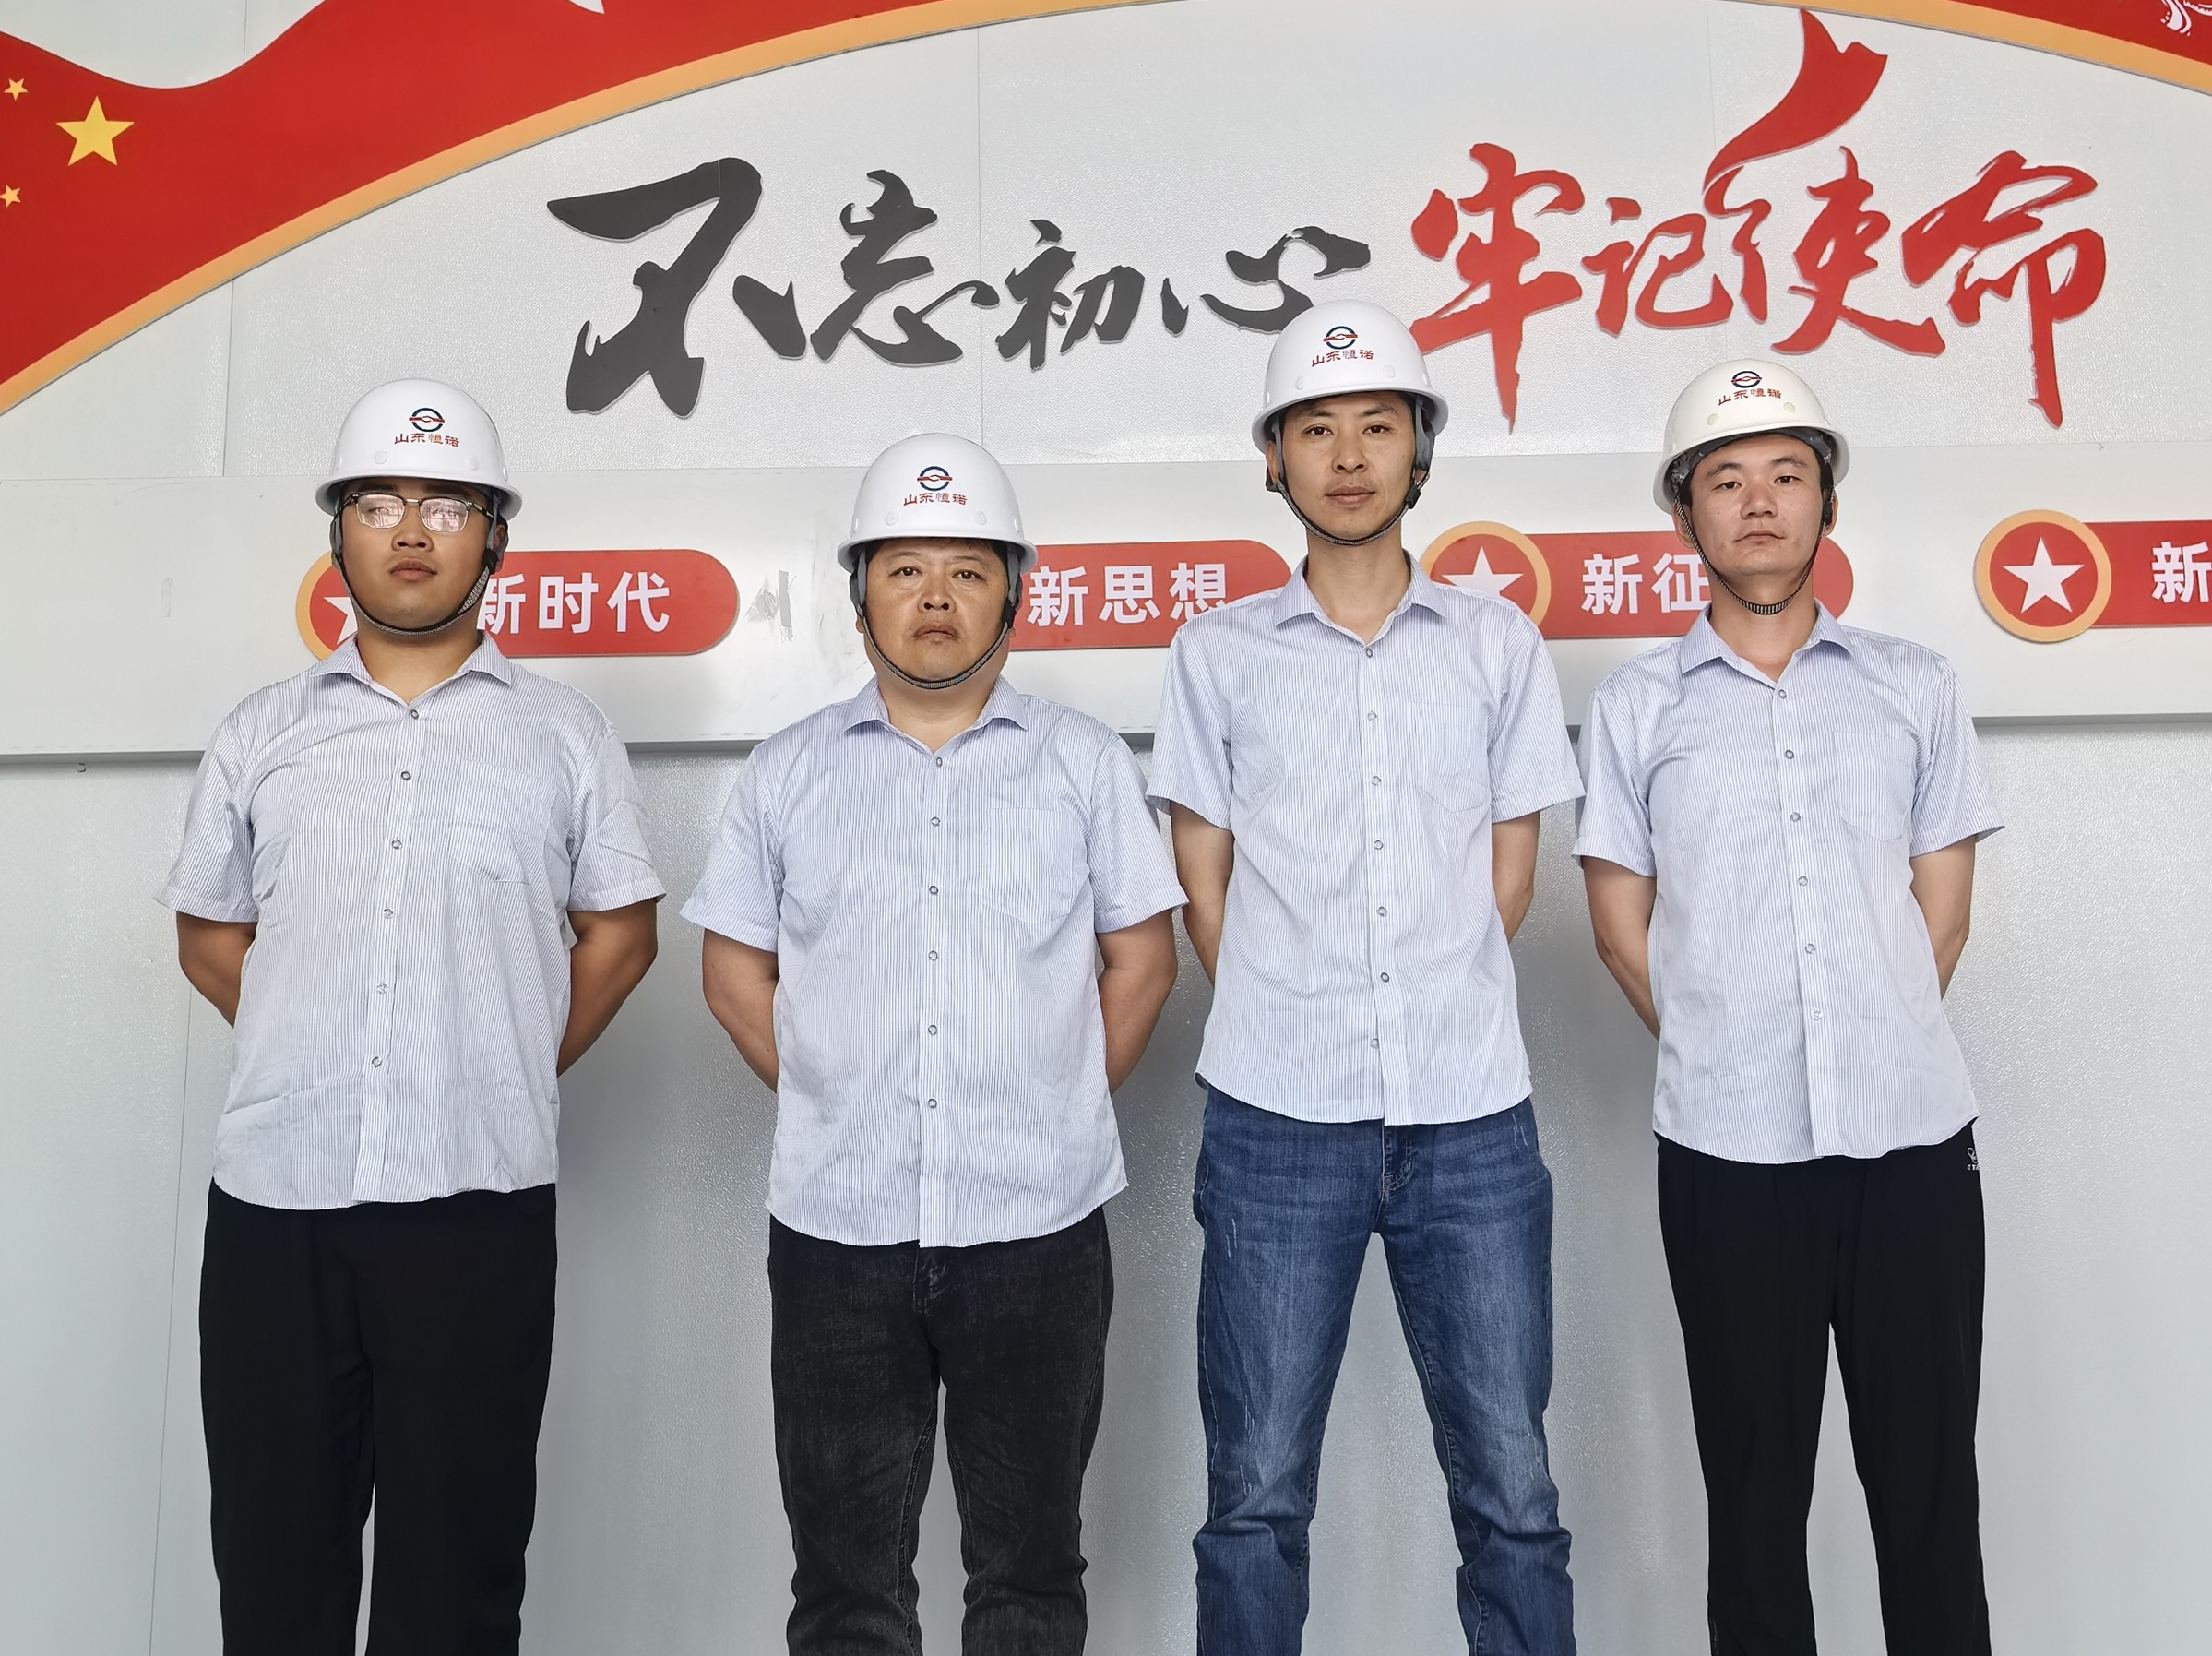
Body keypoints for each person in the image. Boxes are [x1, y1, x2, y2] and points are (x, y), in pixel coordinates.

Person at [161, 378, 664, 1656]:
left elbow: (621, 935)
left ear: (495, 535)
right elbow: (210, 934)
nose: (411, 529)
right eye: (379, 501)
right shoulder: (263, 733)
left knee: (459, 1574)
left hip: (476, 1205)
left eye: (447, 503)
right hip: (277, 1204)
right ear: (338, 531)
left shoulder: (562, 734)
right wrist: (311, 1041)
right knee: (275, 1568)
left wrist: (500, 1053)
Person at [685, 433, 1184, 1656]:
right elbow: (732, 971)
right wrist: (833, 1090)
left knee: (1028, 1576)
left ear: (1014, 595)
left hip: (1038, 1228)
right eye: (904, 570)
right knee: (847, 1588)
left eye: (967, 571)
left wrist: (1054, 1101)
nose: (935, 599)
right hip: (837, 1234)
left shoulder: (1080, 764)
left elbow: (1143, 959)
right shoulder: (787, 771)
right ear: (860, 597)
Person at [1148, 300, 1582, 1656]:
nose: (1347, 457)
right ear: (1273, 458)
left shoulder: (1495, 643)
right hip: (1276, 1119)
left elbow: (1508, 871)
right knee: (1255, 1500)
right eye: (1316, 430)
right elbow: (1203, 878)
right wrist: (1296, 1003)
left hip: (1471, 1115)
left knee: (1513, 1494)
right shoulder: (1218, 653)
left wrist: (1425, 996)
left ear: (1419, 451)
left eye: (1377, 428)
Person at [1576, 360, 2003, 1656]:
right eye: (1725, 480)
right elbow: (1618, 928)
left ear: (1826, 502)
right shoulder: (1636, 707)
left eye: (1785, 475)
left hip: (1910, 1148)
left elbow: (1941, 912)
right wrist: (1732, 1044)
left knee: (1928, 1496)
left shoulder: (1913, 684)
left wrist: (1859, 1036)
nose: (1758, 503)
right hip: (1727, 1158)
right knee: (1753, 1507)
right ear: (1684, 515)